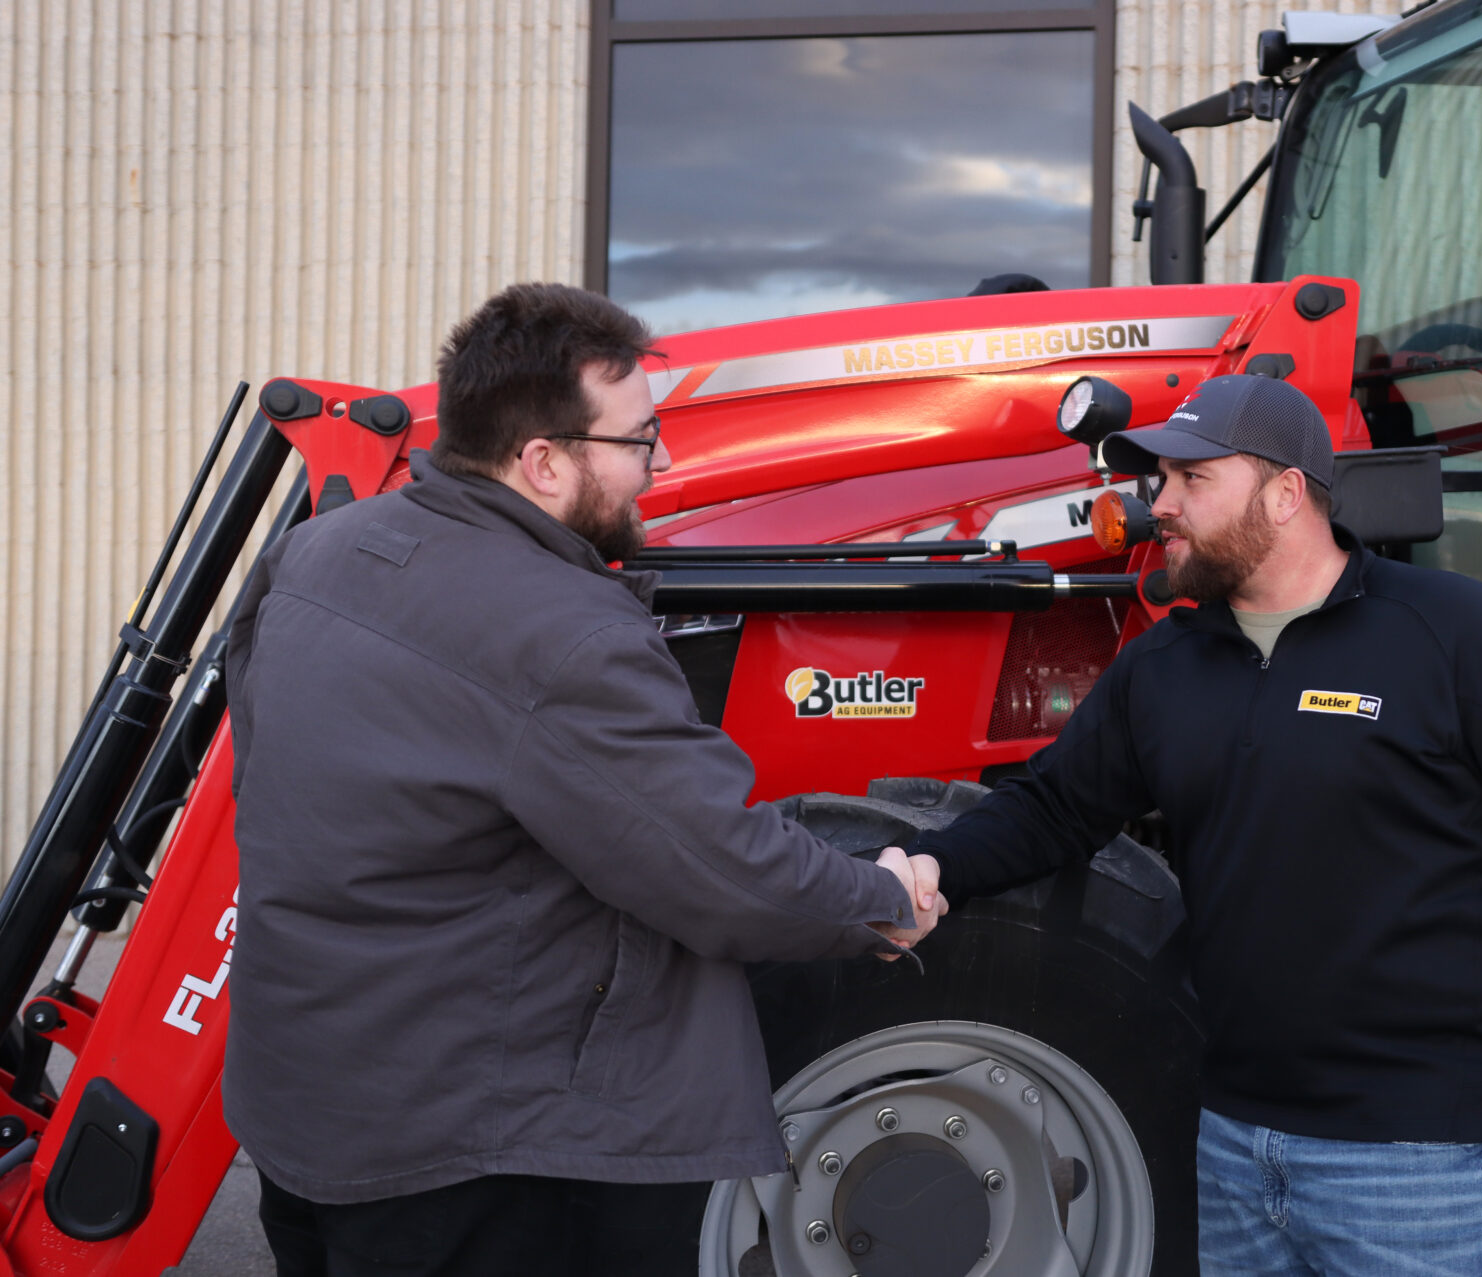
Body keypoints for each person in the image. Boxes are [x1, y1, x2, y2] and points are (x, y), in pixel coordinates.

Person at [904, 373, 1482, 1275]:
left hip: (1430, 1164)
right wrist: (920, 869)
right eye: (1160, 481)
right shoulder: (1167, 666)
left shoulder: (1457, 639)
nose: (1161, 506)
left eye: (1192, 480)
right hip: (1238, 1146)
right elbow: (1052, 808)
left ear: (1283, 493)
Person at [224, 282, 944, 1277]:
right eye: (641, 441)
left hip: (309, 1106)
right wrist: (877, 898)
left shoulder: (315, 554)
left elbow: (262, 766)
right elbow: (718, 869)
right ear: (544, 460)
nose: (664, 464)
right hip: (470, 1148)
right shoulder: (560, 631)